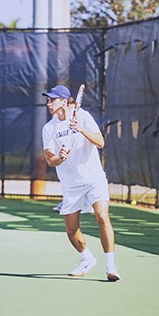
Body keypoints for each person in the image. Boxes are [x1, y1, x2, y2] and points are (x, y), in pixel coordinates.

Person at [40, 85, 118, 281]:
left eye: (52, 100)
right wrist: (60, 157)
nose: (49, 103)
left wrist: (81, 130)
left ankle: (111, 267)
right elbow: (50, 159)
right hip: (71, 185)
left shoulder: (83, 117)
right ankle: (87, 259)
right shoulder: (49, 128)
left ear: (64, 101)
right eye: (48, 100)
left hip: (94, 179)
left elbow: (100, 142)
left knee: (102, 217)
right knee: (71, 231)